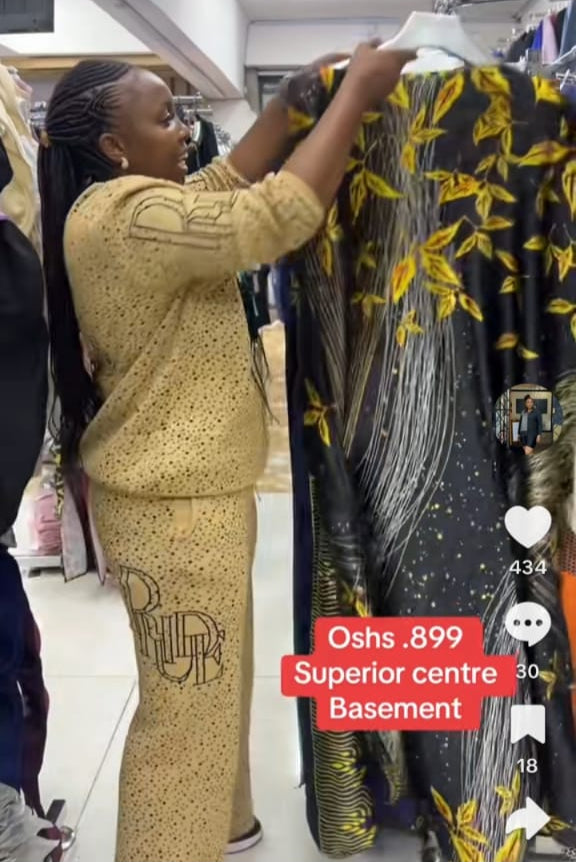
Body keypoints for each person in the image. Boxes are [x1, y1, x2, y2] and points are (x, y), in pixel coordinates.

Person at [37, 43, 414, 862]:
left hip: (188, 501)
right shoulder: (130, 216)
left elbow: (220, 184)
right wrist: (356, 97)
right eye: (163, 118)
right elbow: (271, 218)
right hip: (175, 513)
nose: (184, 130)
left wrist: (288, 106)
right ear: (114, 146)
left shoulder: (127, 206)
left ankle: (228, 826)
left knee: (211, 695)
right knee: (183, 727)